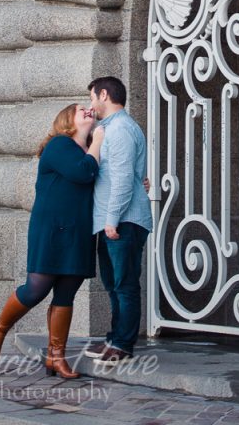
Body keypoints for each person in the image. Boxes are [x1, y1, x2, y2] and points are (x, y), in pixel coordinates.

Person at [0, 103, 104, 379]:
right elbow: (83, 172)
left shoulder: (90, 152)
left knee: (66, 293)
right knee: (36, 289)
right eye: (80, 109)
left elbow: (101, 180)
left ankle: (56, 356)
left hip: (79, 231)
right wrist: (97, 141)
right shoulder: (60, 145)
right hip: (52, 230)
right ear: (67, 120)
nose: (88, 110)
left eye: (89, 108)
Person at [83, 76, 153, 366]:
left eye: (92, 98)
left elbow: (124, 179)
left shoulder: (121, 128)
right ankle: (114, 338)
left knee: (124, 285)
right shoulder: (108, 129)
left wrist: (112, 220)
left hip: (122, 220)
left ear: (103, 95)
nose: (91, 105)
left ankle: (123, 345)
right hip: (111, 220)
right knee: (113, 284)